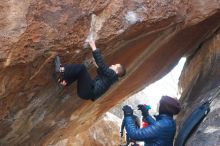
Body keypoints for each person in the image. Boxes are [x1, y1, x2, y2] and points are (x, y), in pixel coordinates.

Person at [54, 40, 126, 101]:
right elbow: (102, 72)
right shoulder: (111, 78)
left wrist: (93, 47)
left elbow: (101, 64)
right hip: (86, 94)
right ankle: (64, 81)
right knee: (79, 73)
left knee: (82, 68)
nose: (112, 65)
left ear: (116, 72)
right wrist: (96, 64)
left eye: (115, 66)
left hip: (88, 90)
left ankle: (60, 69)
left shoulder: (112, 74)